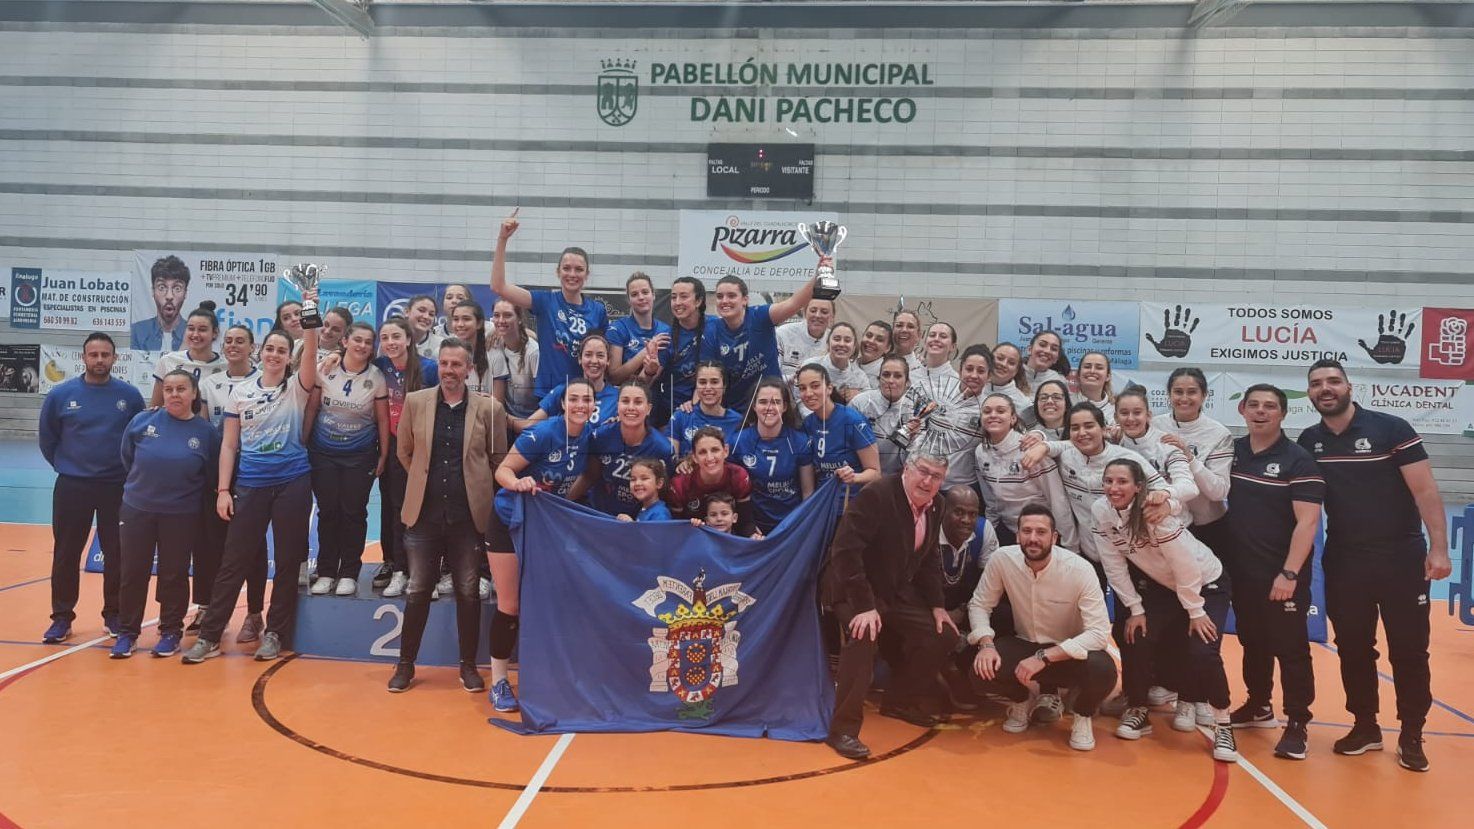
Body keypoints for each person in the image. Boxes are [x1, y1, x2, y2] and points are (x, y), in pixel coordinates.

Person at [1298, 359, 1451, 772]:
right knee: (1353, 648)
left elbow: (1425, 492)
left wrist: (1439, 550)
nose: (1325, 389)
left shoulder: (1391, 429)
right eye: (1316, 384)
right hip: (1345, 560)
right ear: (1309, 393)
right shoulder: (1309, 440)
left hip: (1401, 559)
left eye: (1333, 381)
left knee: (1409, 651)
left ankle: (1412, 733)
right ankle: (1365, 725)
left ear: (1349, 386)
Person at [182, 306, 318, 664]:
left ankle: (274, 633)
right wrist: (224, 491)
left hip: (292, 483)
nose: (274, 355)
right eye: (270, 349)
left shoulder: (297, 388)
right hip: (251, 484)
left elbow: (311, 347)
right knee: (233, 561)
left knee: (288, 561)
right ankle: (211, 636)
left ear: (290, 358)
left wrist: (309, 305)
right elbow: (229, 445)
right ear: (261, 353)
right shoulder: (240, 393)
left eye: (282, 351)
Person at [1095, 459, 1238, 761]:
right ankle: (1138, 709)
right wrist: (1135, 608)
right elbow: (1114, 565)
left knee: (1203, 650)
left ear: (1138, 487)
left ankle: (1223, 722)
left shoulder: (1156, 514)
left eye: (1122, 482)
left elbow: (1185, 567)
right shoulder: (1101, 513)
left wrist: (1195, 611)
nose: (1113, 488)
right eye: (1108, 481)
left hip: (1205, 583)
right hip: (1166, 586)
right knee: (1136, 634)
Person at [386, 338, 507, 694]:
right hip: (424, 516)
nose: (450, 371)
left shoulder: (490, 409)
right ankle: (405, 665)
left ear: (469, 369)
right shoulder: (415, 402)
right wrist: (426, 482)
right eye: (444, 364)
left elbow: (497, 459)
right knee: (418, 590)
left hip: (469, 519)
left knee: (468, 593)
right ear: (437, 366)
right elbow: (405, 454)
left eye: (457, 365)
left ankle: (468, 667)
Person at [824, 452, 959, 760]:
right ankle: (842, 729)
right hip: (850, 588)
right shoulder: (878, 495)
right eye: (922, 471)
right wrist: (864, 605)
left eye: (936, 476)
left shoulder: (937, 505)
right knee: (864, 634)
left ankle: (899, 701)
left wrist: (938, 606)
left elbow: (927, 561)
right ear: (907, 469)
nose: (927, 481)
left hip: (893, 591)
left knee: (944, 634)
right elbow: (845, 552)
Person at [965, 505, 1117, 752]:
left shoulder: (1080, 570)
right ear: (1017, 535)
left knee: (1104, 670)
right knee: (980, 671)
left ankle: (1082, 715)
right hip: (1025, 643)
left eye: (1041, 532)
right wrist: (986, 643)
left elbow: (1099, 632)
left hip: (1067, 651)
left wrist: (1044, 657)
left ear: (1054, 537)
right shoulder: (1002, 559)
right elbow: (980, 604)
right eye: (1026, 531)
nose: (1033, 538)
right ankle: (1021, 700)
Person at [1225, 383, 1324, 760]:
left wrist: (1289, 574)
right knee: (1253, 641)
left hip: (1281, 576)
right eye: (1254, 405)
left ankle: (1298, 722)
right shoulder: (1233, 452)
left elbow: (1308, 522)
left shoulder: (1298, 460)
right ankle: (1259, 704)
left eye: (1269, 407)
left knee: (1292, 649)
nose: (1261, 412)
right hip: (1243, 573)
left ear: (1283, 414)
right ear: (1242, 411)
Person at [490, 379, 598, 713]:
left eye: (587, 400)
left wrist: (564, 500)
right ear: (563, 404)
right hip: (509, 520)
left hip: (546, 526)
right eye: (574, 399)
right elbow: (502, 471)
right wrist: (519, 482)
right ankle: (498, 681)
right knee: (510, 604)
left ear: (594, 405)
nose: (580, 405)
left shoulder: (589, 439)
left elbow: (589, 476)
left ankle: (549, 673)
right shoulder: (543, 433)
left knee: (551, 600)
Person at [38, 333, 146, 643]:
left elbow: (137, 438)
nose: (99, 360)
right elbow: (48, 439)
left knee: (117, 553)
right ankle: (61, 618)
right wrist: (69, 465)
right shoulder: (61, 395)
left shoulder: (130, 396)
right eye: (93, 355)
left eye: (105, 355)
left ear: (115, 358)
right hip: (73, 486)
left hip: (117, 486)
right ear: (83, 358)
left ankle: (113, 614)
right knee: (66, 553)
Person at [112, 370, 219, 658]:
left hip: (181, 514)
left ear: (194, 393)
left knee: (173, 574)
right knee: (133, 573)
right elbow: (127, 457)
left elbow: (210, 475)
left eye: (181, 389)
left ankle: (171, 631)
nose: (174, 394)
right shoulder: (142, 421)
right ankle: (127, 633)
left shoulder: (206, 433)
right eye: (169, 389)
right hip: (138, 509)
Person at [194, 324, 269, 642]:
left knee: (253, 545)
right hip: (217, 470)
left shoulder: (264, 382)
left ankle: (254, 614)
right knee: (210, 542)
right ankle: (207, 608)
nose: (233, 346)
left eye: (241, 341)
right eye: (229, 341)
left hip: (253, 469)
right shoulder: (210, 384)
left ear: (253, 347)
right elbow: (202, 426)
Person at [308, 322, 389, 597]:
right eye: (357, 340)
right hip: (324, 453)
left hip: (360, 456)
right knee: (328, 512)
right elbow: (312, 408)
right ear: (344, 341)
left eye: (368, 342)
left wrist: (384, 455)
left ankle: (349, 573)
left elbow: (382, 420)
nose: (362, 346)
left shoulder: (377, 376)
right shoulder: (326, 369)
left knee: (354, 512)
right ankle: (327, 570)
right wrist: (303, 443)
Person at [491, 210, 608, 398]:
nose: (572, 274)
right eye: (566, 268)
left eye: (579, 269)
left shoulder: (598, 311)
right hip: (550, 396)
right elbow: (499, 286)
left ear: (587, 274)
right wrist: (502, 239)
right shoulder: (545, 301)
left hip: (584, 396)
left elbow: (603, 357)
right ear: (558, 272)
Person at [373, 318, 438, 597]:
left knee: (424, 509)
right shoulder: (379, 367)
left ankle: (426, 572)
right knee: (395, 508)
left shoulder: (429, 368)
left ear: (409, 339)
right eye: (385, 337)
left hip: (423, 448)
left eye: (396, 336)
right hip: (391, 446)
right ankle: (398, 568)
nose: (391, 342)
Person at [701, 268, 823, 415]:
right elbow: (706, 375)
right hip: (734, 411)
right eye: (720, 296)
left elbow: (795, 303)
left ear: (745, 300)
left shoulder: (760, 316)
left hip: (772, 404)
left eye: (732, 296)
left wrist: (819, 274)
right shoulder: (711, 331)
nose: (725, 301)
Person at [974, 393, 1077, 549]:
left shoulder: (1031, 449)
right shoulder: (980, 452)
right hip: (1007, 531)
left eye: (1001, 411)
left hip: (1039, 532)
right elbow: (990, 498)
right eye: (987, 411)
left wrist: (1071, 547)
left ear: (1013, 418)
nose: (993, 415)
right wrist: (992, 530)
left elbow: (1057, 499)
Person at [1157, 368, 1233, 560]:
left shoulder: (1218, 434)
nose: (1184, 398)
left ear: (1204, 395)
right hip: (1163, 523)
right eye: (1178, 392)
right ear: (1169, 394)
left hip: (1207, 527)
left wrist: (1189, 458)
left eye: (1191, 392)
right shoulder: (1153, 426)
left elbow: (1219, 492)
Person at [729, 378, 815, 534]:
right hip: (752, 526)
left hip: (790, 523)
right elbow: (732, 491)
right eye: (762, 402)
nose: (769, 407)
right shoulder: (738, 441)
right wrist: (745, 525)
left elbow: (807, 492)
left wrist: (800, 525)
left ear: (785, 407)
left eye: (776, 402)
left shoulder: (799, 441)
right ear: (754, 406)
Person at [577, 380, 674, 518]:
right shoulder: (601, 436)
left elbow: (663, 493)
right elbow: (589, 476)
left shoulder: (662, 449)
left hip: (637, 523)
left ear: (649, 409)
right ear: (617, 406)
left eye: (638, 402)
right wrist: (560, 502)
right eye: (625, 401)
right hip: (599, 516)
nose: (631, 407)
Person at [795, 363, 881, 515]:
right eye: (802, 388)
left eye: (815, 386)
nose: (808, 393)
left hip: (852, 508)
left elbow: (875, 473)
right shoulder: (808, 424)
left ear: (829, 388)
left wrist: (854, 477)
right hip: (824, 506)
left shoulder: (853, 420)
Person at [909, 343, 991, 491]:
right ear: (960, 370)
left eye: (981, 371)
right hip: (924, 480)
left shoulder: (989, 409)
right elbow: (914, 430)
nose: (973, 375)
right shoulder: (935, 393)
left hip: (960, 487)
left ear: (989, 376)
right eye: (969, 369)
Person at [667, 426, 756, 535]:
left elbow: (745, 522)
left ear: (725, 451)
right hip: (693, 541)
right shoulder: (680, 484)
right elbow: (676, 530)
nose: (710, 458)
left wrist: (752, 536)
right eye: (702, 452)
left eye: (715, 450)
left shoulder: (738, 476)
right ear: (694, 457)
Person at [520, 333, 618, 432]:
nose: (594, 360)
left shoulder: (618, 397)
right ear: (580, 359)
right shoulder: (563, 391)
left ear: (608, 360)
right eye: (588, 355)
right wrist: (505, 416)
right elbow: (528, 426)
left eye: (600, 356)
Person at [651, 276, 709, 428]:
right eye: (673, 297)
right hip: (672, 414)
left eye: (683, 297)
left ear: (698, 301)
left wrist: (695, 403)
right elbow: (648, 380)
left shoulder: (715, 327)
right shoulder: (666, 338)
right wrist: (649, 368)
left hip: (707, 410)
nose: (677, 303)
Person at [150, 301, 225, 406]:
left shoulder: (226, 367)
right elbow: (155, 407)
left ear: (215, 332)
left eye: (202, 330)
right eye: (191, 328)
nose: (195, 334)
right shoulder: (168, 361)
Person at [851, 355, 912, 476]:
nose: (890, 380)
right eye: (886, 375)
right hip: (859, 474)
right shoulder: (859, 403)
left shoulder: (915, 411)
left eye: (898, 376)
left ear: (907, 382)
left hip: (895, 478)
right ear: (879, 379)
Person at [607, 272, 671, 384]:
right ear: (629, 300)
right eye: (634, 294)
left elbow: (651, 380)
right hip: (623, 397)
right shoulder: (618, 328)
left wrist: (648, 371)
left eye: (645, 292)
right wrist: (645, 352)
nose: (641, 297)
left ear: (653, 295)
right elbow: (614, 378)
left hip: (652, 397)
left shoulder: (664, 331)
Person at [669, 362, 743, 455]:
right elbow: (670, 460)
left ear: (724, 386)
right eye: (702, 382)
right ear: (696, 386)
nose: (708, 387)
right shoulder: (680, 417)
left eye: (714, 382)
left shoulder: (738, 422)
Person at [488, 300, 540, 421]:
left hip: (531, 422)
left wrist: (528, 425)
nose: (501, 320)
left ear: (520, 318)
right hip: (505, 420)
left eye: (507, 315)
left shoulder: (533, 352)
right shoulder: (493, 344)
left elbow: (545, 399)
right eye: (496, 315)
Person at [130, 255, 190, 351]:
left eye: (177, 288)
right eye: (162, 287)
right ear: (153, 291)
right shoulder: (137, 331)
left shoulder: (192, 334)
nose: (169, 296)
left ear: (185, 293)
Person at [775, 297, 834, 381]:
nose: (817, 315)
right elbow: (772, 375)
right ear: (804, 313)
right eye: (813, 311)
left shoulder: (836, 341)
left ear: (832, 317)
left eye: (824, 312)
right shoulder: (783, 333)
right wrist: (793, 378)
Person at [813, 322, 870, 403]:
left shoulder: (860, 377)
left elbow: (869, 404)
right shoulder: (811, 366)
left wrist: (860, 396)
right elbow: (800, 401)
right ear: (828, 344)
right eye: (836, 339)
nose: (842, 344)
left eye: (847, 340)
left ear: (854, 347)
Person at [449, 301, 492, 393]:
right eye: (456, 319)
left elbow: (497, 403)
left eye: (466, 319)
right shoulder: (444, 352)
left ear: (479, 324)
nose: (460, 324)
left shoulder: (493, 354)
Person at [912, 322, 959, 403]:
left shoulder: (955, 382)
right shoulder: (911, 374)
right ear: (925, 342)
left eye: (943, 336)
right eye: (932, 335)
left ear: (953, 346)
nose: (936, 339)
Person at [615, 458, 672, 523]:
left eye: (644, 478)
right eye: (633, 479)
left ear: (659, 483)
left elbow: (654, 533)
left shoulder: (660, 514)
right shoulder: (643, 508)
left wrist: (631, 525)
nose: (637, 483)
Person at [985, 342, 1031, 410]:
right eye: (1000, 358)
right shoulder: (975, 388)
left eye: (1011, 363)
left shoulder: (1023, 404)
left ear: (1016, 371)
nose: (1004, 364)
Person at [1075, 351, 1116, 424]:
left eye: (1099, 368)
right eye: (1087, 367)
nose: (1092, 371)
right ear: (1078, 374)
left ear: (1107, 376)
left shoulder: (1116, 409)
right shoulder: (1066, 403)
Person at [856, 320, 893, 388]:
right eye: (869, 336)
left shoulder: (887, 374)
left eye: (879, 340)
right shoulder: (849, 364)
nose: (871, 341)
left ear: (887, 348)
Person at [406, 295, 444, 360]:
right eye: (421, 310)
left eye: (431, 314)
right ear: (407, 312)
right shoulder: (392, 340)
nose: (426, 316)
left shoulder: (441, 344)